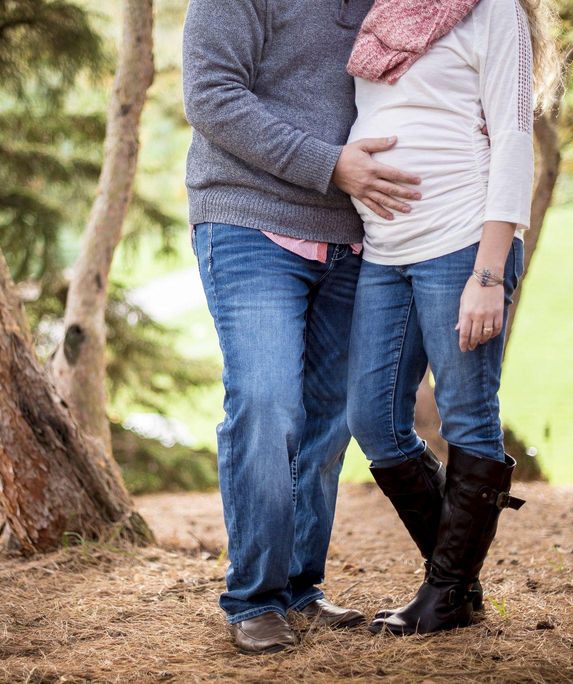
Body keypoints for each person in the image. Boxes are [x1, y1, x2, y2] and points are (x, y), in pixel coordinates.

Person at [182, 0, 424, 655]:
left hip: (353, 235)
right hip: (248, 217)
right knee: (264, 399)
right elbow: (209, 96)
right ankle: (254, 598)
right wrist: (330, 164)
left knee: (327, 418)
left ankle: (298, 588)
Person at [344, 0, 560, 635]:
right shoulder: (380, 10)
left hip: (463, 241)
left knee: (466, 415)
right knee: (375, 420)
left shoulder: (494, 12)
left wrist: (488, 274)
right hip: (386, 251)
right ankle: (457, 584)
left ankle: (445, 597)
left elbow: (515, 139)